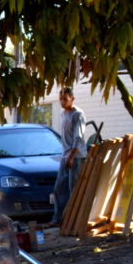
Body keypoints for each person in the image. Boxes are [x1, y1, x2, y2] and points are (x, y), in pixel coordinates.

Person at [50, 87, 86, 226]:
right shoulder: (63, 114)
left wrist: (71, 157)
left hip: (76, 157)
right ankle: (58, 219)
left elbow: (79, 138)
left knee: (74, 190)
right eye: (60, 99)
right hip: (65, 156)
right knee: (59, 189)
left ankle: (75, 221)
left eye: (65, 99)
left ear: (72, 99)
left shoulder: (78, 114)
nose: (62, 102)